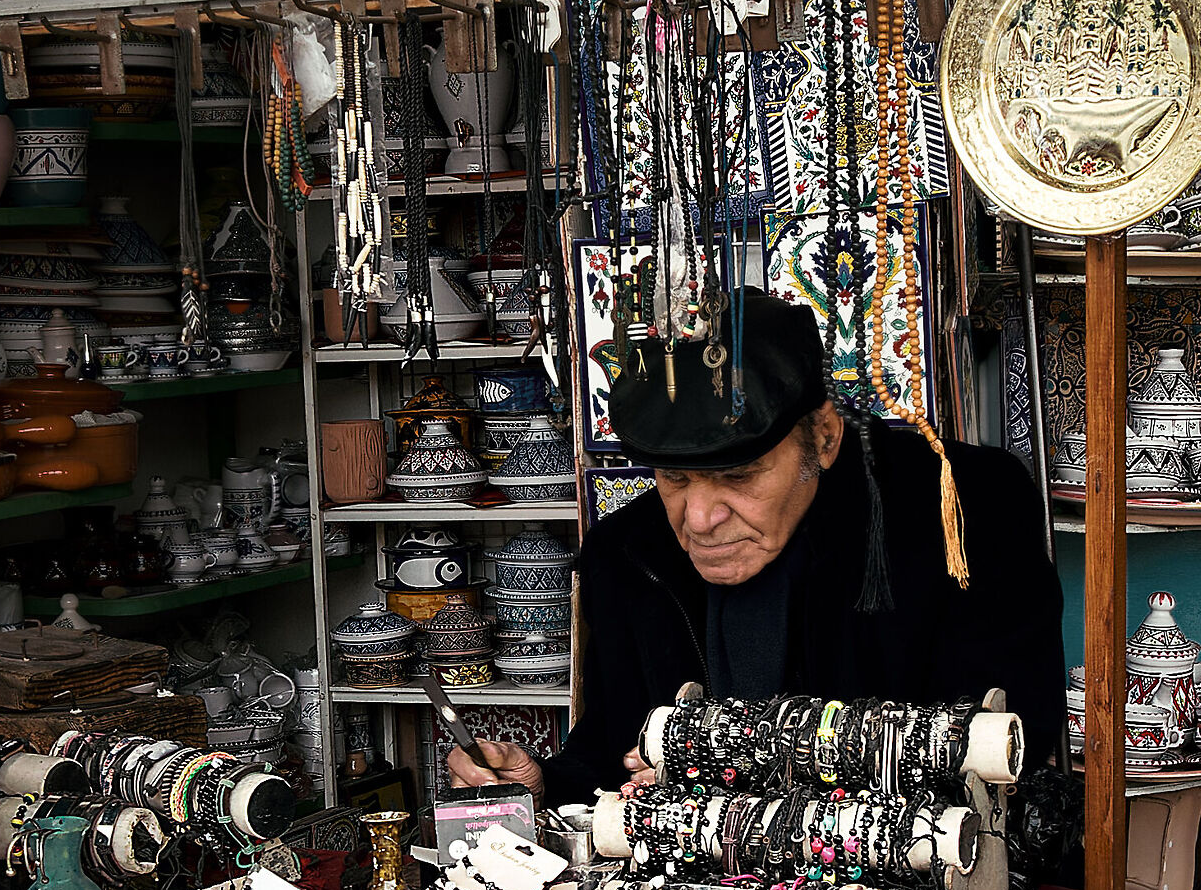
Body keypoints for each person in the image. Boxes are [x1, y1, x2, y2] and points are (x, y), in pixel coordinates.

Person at [446, 290, 1065, 808]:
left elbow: (1011, 748)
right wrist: (540, 782)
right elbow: (610, 755)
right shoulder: (627, 554)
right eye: (674, 477)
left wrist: (732, 777)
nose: (701, 518)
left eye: (739, 477)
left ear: (821, 438)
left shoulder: (957, 508)